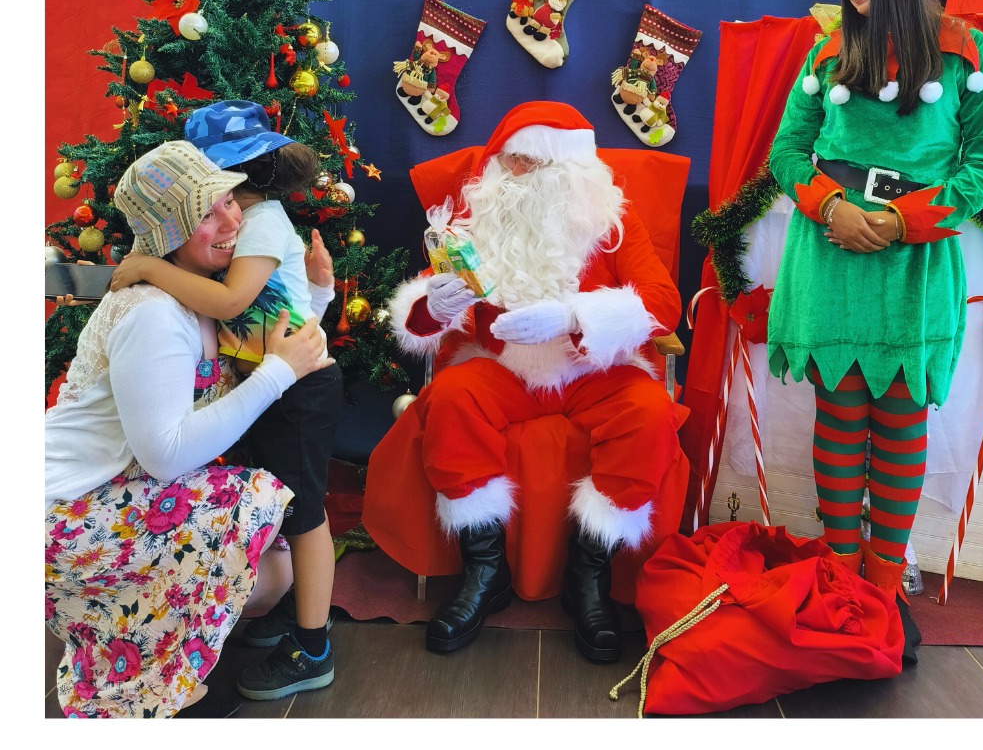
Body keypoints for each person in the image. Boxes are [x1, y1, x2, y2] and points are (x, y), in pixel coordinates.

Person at [766, 0, 983, 664]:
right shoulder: (827, 55)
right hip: (830, 255)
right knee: (841, 413)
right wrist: (829, 206)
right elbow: (787, 152)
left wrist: (907, 220)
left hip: (913, 261)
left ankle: (883, 588)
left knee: (901, 418)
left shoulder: (965, 53)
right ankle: (842, 581)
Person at [44, 140, 335, 718]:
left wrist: (318, 293)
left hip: (117, 488)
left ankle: (147, 647)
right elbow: (166, 454)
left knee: (275, 561)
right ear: (168, 232)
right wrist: (276, 376)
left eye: (230, 201)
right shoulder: (155, 312)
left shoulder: (203, 294)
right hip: (66, 514)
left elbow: (278, 337)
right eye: (207, 212)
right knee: (265, 541)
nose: (233, 221)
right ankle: (143, 667)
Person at [387, 100, 685, 662]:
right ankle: (485, 571)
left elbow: (663, 304)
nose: (520, 174)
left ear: (573, 170)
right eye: (512, 160)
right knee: (451, 397)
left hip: (594, 370)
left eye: (536, 163)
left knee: (648, 413)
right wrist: (434, 304)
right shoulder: (472, 222)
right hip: (503, 367)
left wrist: (575, 316)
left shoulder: (613, 225)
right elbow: (419, 321)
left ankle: (588, 576)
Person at [108, 100, 346, 701]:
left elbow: (233, 302)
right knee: (282, 501)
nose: (221, 207)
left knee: (304, 511)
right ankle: (293, 611)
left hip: (298, 385)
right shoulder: (254, 217)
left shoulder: (259, 220)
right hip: (274, 379)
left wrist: (148, 268)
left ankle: (313, 645)